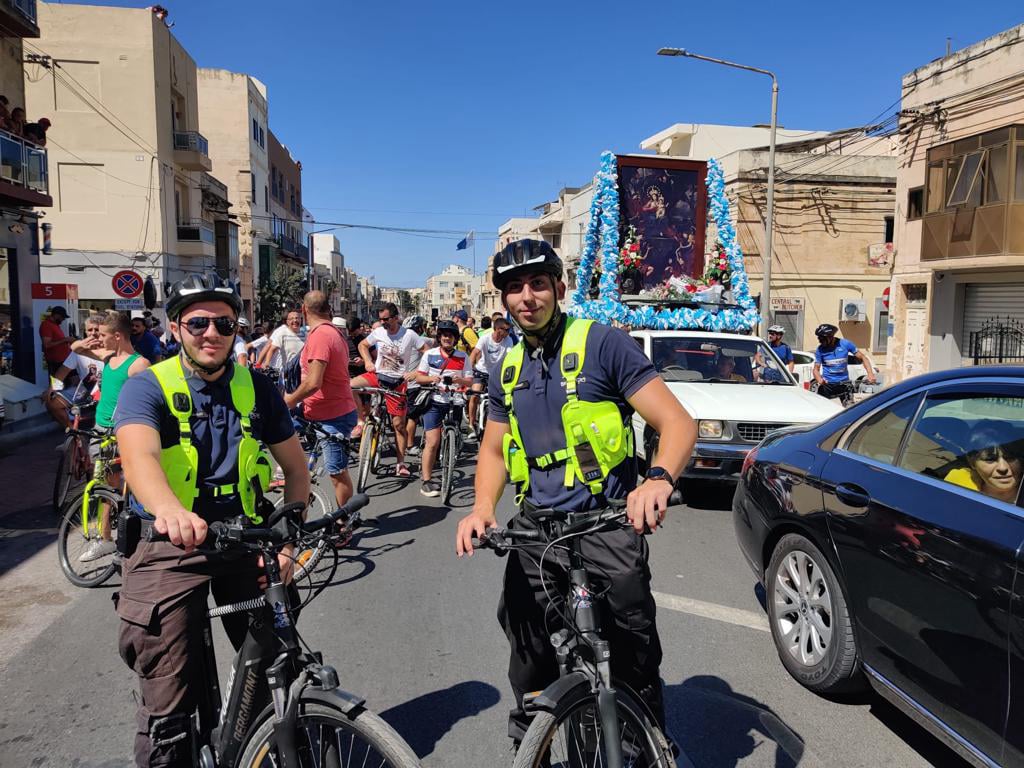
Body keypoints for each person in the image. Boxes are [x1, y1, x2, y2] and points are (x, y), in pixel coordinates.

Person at [455, 239, 697, 748]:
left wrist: (657, 480)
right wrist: (480, 509)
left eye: (538, 284)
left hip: (605, 523)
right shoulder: (508, 368)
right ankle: (534, 747)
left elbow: (676, 422)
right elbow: (495, 451)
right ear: (503, 301)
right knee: (528, 653)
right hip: (536, 530)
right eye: (515, 288)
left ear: (558, 289)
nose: (527, 297)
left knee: (633, 651)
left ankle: (645, 745)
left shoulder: (603, 344)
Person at [113, 274, 308, 767]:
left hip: (242, 537)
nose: (211, 333)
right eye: (197, 322)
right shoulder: (147, 387)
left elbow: (296, 469)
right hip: (168, 543)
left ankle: (261, 744)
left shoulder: (257, 387)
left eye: (223, 322)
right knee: (168, 703)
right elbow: (139, 459)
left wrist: (290, 540)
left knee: (278, 667)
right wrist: (170, 510)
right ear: (176, 328)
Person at [70, 311, 150, 561]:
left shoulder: (138, 364)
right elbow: (75, 347)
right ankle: (106, 539)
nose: (98, 339)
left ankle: (133, 534)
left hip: (121, 431)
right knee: (106, 485)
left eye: (103, 335)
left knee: (127, 485)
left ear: (117, 336)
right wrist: (87, 342)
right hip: (100, 429)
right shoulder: (107, 356)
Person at [285, 292, 358, 511]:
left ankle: (345, 520)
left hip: (332, 416)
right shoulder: (332, 333)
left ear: (304, 310)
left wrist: (288, 401)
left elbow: (314, 382)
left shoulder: (321, 336)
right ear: (329, 309)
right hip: (317, 411)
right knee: (276, 432)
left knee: (337, 472)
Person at [351, 303, 429, 478]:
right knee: (350, 386)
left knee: (399, 425)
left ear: (395, 318)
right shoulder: (378, 332)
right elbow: (363, 345)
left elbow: (427, 352)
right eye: (380, 319)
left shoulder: (409, 335)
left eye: (386, 319)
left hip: (397, 382)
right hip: (378, 376)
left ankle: (400, 463)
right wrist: (368, 362)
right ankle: (361, 421)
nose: (383, 322)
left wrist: (417, 372)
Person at [414, 320, 472, 496]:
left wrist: (458, 380)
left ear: (455, 339)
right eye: (444, 335)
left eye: (451, 335)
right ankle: (426, 481)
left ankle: (450, 455)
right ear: (439, 337)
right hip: (434, 401)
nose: (447, 338)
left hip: (455, 401)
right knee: (433, 442)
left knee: (453, 436)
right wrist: (433, 380)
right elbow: (419, 378)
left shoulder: (463, 357)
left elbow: (469, 380)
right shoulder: (430, 354)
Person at [41, 314, 103, 429]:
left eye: (97, 329)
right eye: (90, 330)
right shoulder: (78, 351)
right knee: (53, 404)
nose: (93, 333)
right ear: (85, 331)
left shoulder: (110, 348)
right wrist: (51, 388)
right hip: (86, 389)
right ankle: (72, 433)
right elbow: (63, 371)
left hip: (108, 390)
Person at [944, 423, 1022, 504]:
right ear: (972, 462)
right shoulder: (957, 485)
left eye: (1010, 458)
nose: (1003, 468)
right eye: (990, 459)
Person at [467, 317, 513, 440]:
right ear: (498, 329)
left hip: (498, 374)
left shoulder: (508, 340)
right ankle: (471, 424)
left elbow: (510, 357)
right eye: (507, 330)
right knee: (475, 395)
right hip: (481, 371)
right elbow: (474, 354)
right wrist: (469, 372)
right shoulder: (485, 339)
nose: (509, 332)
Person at [812, 323, 876, 402]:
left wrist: (870, 374)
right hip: (828, 385)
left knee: (848, 409)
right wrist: (819, 379)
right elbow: (816, 369)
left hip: (844, 384)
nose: (820, 341)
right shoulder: (820, 349)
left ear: (830, 337)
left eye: (822, 339)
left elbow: (863, 358)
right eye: (819, 339)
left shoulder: (845, 344)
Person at [402, 315, 430, 456]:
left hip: (398, 383)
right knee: (413, 416)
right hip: (413, 384)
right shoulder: (422, 340)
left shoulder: (400, 339)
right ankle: (410, 445)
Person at [39, 305, 74, 376]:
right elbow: (47, 345)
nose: (63, 319)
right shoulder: (46, 325)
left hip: (62, 361)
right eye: (62, 317)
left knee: (68, 382)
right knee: (57, 385)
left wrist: (67, 341)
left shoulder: (55, 325)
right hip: (55, 362)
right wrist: (65, 340)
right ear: (56, 315)